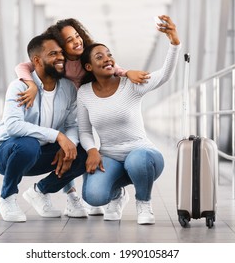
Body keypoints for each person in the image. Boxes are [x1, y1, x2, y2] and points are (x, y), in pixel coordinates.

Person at [14, 18, 150, 216]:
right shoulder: (58, 60)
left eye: (77, 35)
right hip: (67, 112)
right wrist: (31, 85)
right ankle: (71, 197)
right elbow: (22, 66)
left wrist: (128, 73)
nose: (77, 41)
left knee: (89, 148)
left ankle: (102, 192)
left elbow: (114, 67)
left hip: (91, 108)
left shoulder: (88, 55)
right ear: (60, 46)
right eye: (70, 40)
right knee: (68, 150)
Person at [77, 15, 181, 225]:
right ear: (88, 67)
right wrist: (92, 150)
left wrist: (174, 43)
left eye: (109, 54)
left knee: (136, 161)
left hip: (144, 155)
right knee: (93, 197)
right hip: (110, 157)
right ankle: (117, 194)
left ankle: (144, 203)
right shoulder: (84, 93)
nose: (107, 58)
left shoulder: (130, 84)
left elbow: (164, 75)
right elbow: (85, 131)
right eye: (99, 57)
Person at [0, 32, 87, 222]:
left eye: (61, 53)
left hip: (41, 153)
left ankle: (41, 191)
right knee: (28, 144)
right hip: (6, 152)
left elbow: (72, 124)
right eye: (53, 54)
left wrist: (68, 144)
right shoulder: (19, 87)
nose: (60, 57)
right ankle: (6, 197)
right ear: (36, 60)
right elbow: (13, 126)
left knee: (83, 151)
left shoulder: (68, 89)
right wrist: (57, 136)